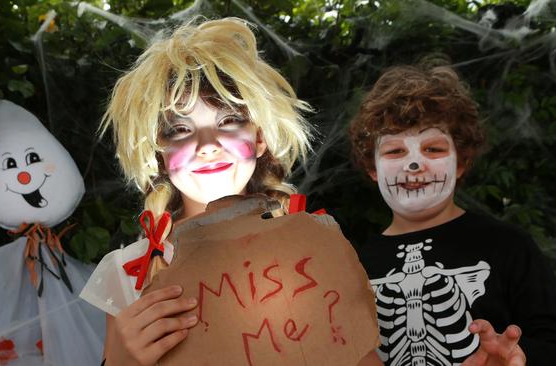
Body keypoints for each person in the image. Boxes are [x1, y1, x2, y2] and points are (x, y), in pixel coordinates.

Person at [78, 17, 359, 366]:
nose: (207, 146)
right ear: (159, 156)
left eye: (228, 121)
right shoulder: (126, 272)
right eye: (179, 130)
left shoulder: (314, 248)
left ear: (259, 138)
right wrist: (120, 362)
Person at [349, 64, 556, 365]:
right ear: (372, 168)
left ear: (461, 162)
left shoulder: (508, 246)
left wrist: (520, 355)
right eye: (395, 151)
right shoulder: (355, 266)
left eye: (433, 149)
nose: (415, 164)